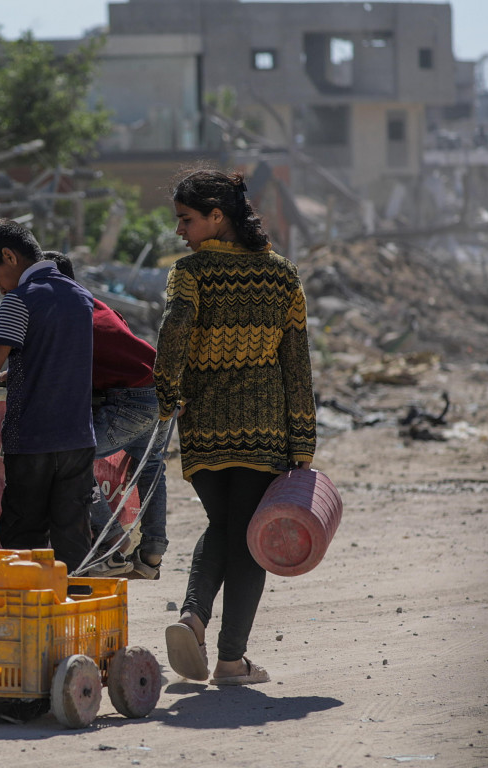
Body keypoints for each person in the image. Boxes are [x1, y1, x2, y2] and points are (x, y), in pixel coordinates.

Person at [157, 169, 316, 686]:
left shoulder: (190, 273)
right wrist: (303, 440)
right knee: (247, 538)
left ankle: (193, 616)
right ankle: (230, 660)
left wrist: (166, 396)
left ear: (216, 217)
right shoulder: (283, 275)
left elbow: (174, 332)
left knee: (223, 526)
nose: (180, 230)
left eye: (186, 219)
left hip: (203, 429)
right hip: (265, 431)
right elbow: (297, 364)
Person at [0, 219, 95, 573]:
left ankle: (30, 619)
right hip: (78, 439)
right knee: (72, 540)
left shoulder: (19, 301)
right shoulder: (81, 297)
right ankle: (71, 614)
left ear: (9, 256)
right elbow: (57, 358)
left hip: (32, 439)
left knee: (24, 539)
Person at [44, 252, 168, 580]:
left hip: (130, 400)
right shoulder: (98, 306)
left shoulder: (67, 314)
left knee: (72, 456)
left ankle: (112, 537)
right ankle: (152, 553)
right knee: (151, 467)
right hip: (158, 387)